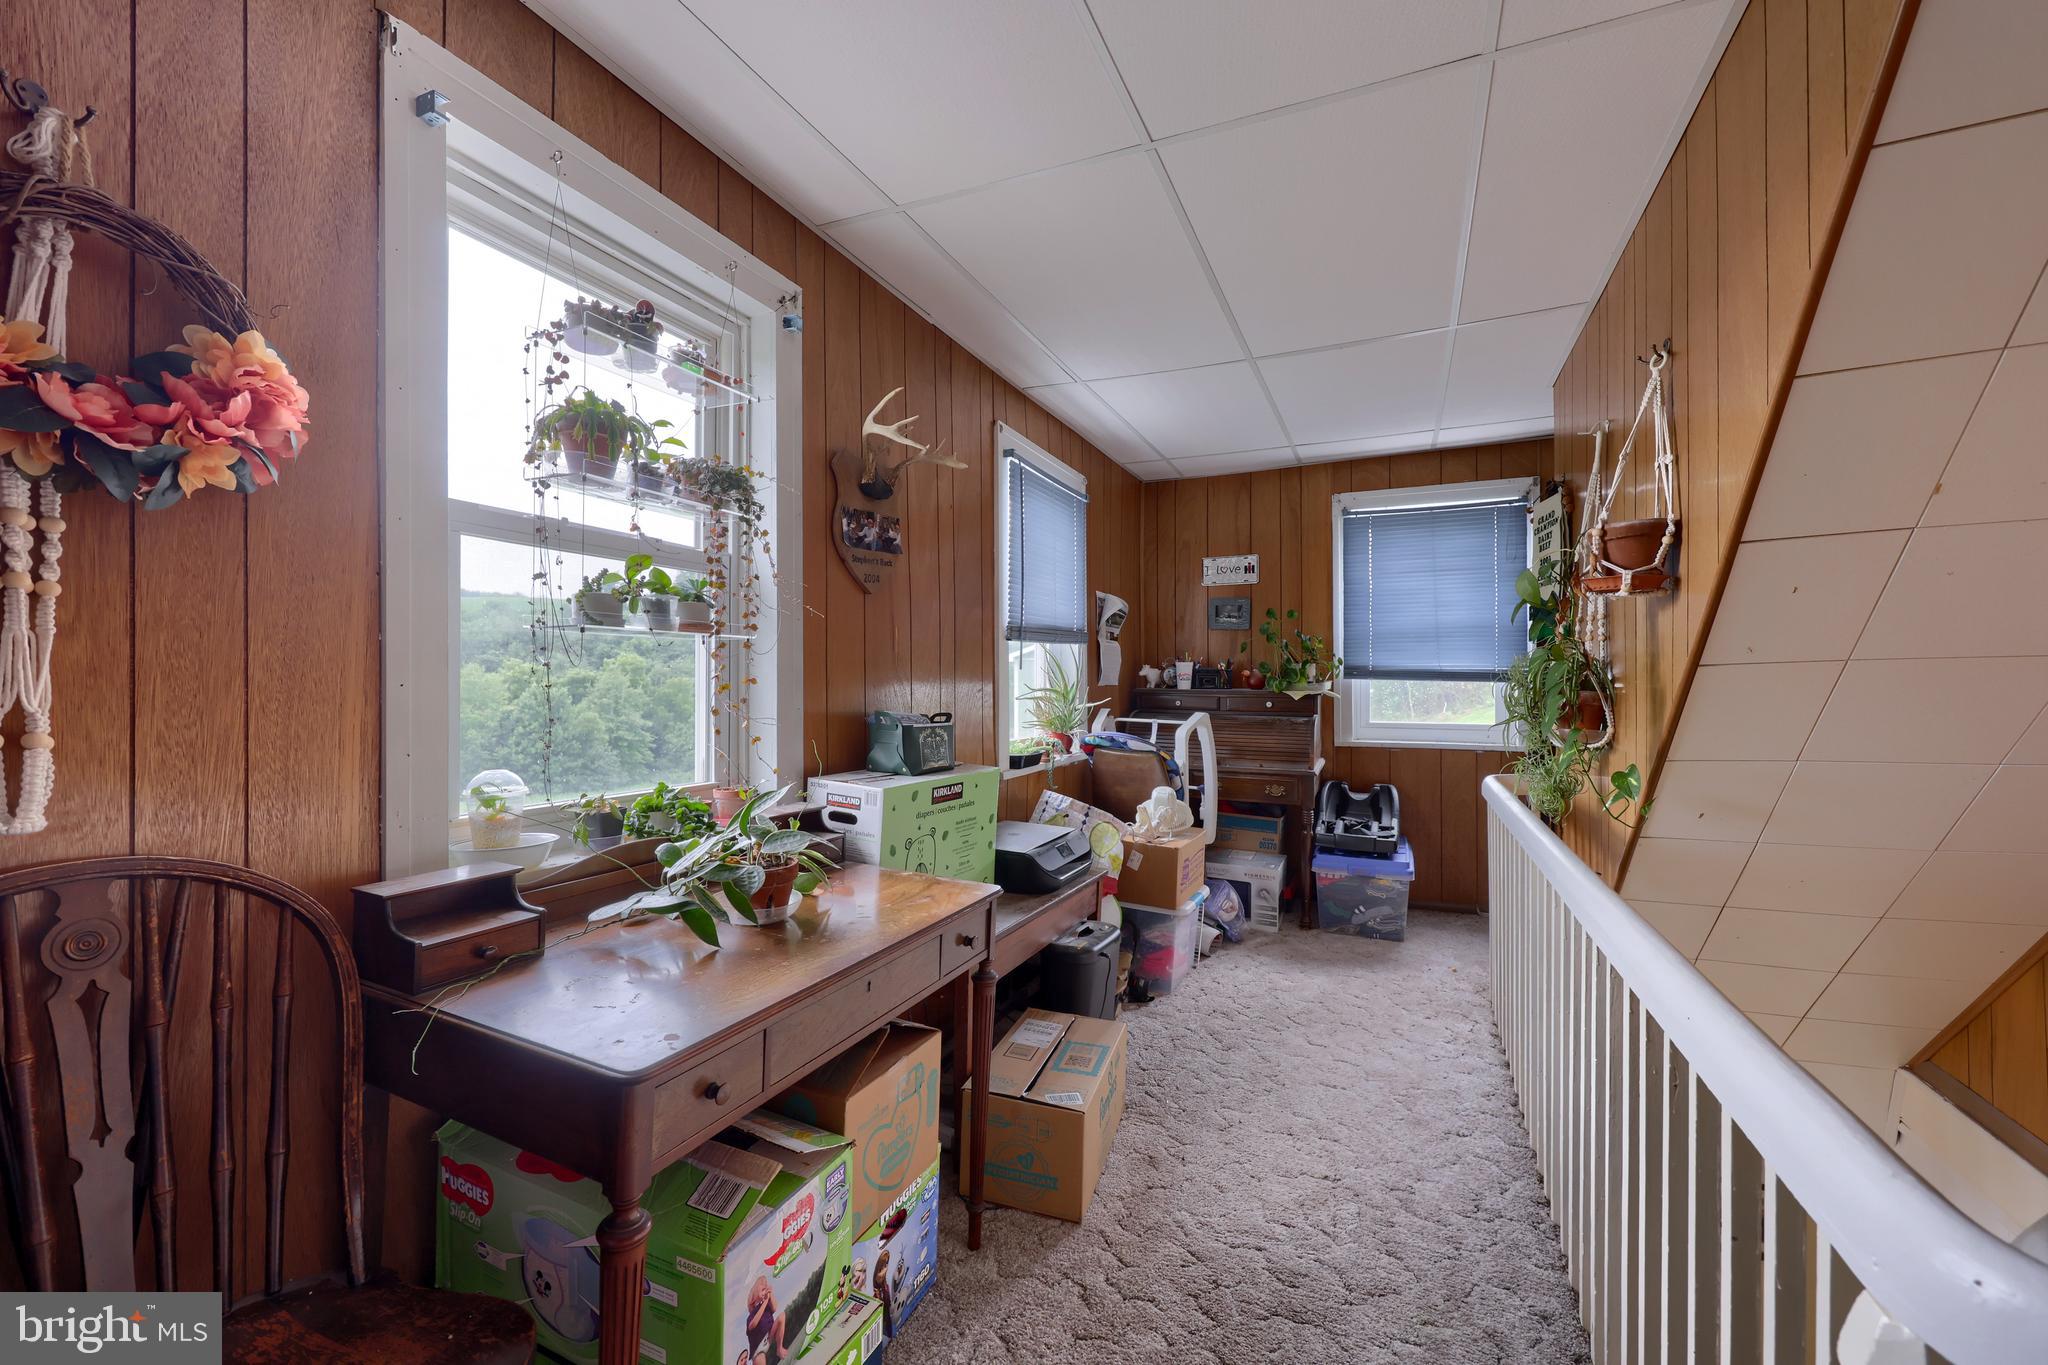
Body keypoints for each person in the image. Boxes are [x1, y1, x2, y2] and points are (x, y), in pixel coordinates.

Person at [744, 1275, 787, 1365]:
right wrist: (765, 1302)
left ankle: (779, 1348)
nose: (764, 1292)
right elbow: (752, 1325)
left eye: (765, 1289)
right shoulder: (752, 1314)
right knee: (761, 1361)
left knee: (782, 1316)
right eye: (762, 1290)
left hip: (768, 1337)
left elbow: (775, 1308)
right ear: (755, 1296)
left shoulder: (767, 1305)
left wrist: (770, 1295)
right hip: (758, 1349)